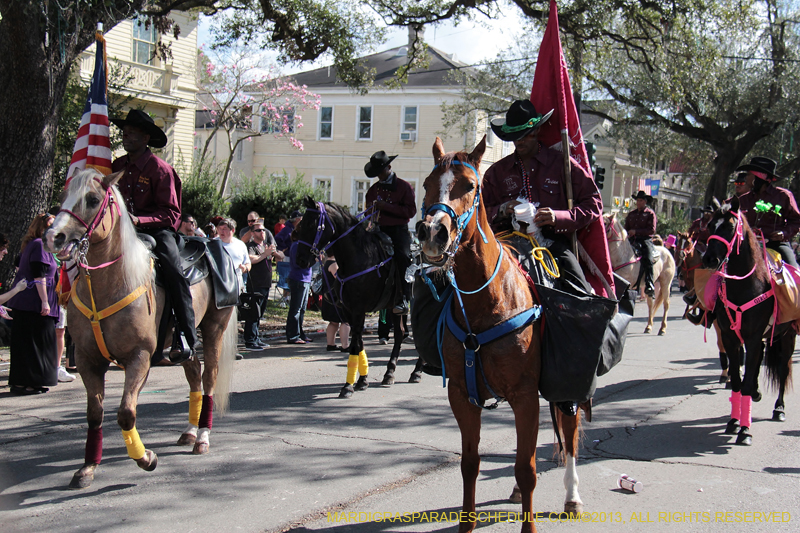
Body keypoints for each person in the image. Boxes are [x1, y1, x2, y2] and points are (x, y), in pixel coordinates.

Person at [484, 99, 603, 296]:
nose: (519, 141)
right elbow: (480, 212)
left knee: (581, 294)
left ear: (537, 131)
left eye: (524, 135)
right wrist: (502, 209)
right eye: (514, 136)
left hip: (553, 244)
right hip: (506, 245)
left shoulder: (562, 165)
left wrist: (559, 217)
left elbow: (594, 203)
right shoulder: (496, 173)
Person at [110, 109, 195, 364]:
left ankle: (186, 335)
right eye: (124, 133)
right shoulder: (117, 166)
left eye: (132, 134)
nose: (126, 138)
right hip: (122, 231)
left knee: (173, 271)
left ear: (146, 137)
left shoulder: (161, 169)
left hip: (157, 231)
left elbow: (171, 214)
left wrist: (140, 220)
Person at [7, 214, 61, 394]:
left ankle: (22, 383)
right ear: (43, 228)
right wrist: (45, 302)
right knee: (35, 345)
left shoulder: (34, 245)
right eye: (52, 226)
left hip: (27, 304)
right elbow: (40, 276)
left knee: (27, 344)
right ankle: (29, 383)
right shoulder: (39, 245)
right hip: (33, 304)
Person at [364, 151, 416, 314]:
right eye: (376, 173)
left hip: (398, 230)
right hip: (378, 229)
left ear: (389, 168)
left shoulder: (404, 187)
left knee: (403, 258)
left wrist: (386, 207)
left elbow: (410, 211)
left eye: (381, 171)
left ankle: (404, 298)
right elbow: (367, 213)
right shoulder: (373, 190)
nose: (379, 175)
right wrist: (371, 211)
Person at [736, 156, 800, 268]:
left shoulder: (783, 196)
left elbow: (796, 221)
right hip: (747, 246)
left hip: (776, 245)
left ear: (759, 177)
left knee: (794, 272)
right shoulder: (743, 200)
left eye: (748, 175)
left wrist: (784, 233)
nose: (745, 178)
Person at [243, 219, 279, 350]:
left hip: (266, 284)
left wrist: (272, 253)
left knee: (259, 314)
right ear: (252, 233)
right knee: (253, 314)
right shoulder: (251, 246)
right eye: (258, 230)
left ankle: (256, 338)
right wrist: (265, 254)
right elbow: (251, 259)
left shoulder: (266, 246)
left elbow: (279, 256)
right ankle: (250, 340)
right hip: (255, 284)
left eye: (263, 229)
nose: (262, 232)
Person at [285, 216, 314, 344]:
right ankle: (292, 335)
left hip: (305, 279)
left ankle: (300, 333)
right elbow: (299, 263)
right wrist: (313, 260)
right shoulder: (297, 245)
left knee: (302, 309)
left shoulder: (302, 245)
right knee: (295, 309)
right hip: (298, 279)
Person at [624, 190, 657, 297]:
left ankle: (649, 283)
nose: (639, 202)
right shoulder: (631, 214)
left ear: (645, 201)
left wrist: (637, 232)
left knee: (648, 258)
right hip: (632, 240)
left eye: (641, 200)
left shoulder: (650, 214)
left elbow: (652, 230)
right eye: (637, 200)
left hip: (645, 240)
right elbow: (626, 228)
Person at [320, 254, 351, 352]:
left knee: (333, 323)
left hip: (328, 298)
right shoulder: (334, 265)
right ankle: (345, 345)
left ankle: (331, 344)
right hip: (336, 299)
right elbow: (339, 279)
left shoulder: (326, 263)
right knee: (345, 321)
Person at [216, 218, 251, 294]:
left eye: (224, 229)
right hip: (218, 285)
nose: (221, 231)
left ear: (232, 230)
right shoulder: (213, 244)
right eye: (220, 229)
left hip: (237, 284)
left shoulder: (240, 245)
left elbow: (248, 263)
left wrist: (245, 268)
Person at [275, 210, 301, 306]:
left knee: (293, 276)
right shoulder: (287, 229)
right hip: (288, 256)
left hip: (295, 256)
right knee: (287, 276)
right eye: (300, 218)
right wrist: (283, 249)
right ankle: (285, 297)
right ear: (297, 219)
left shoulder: (297, 228)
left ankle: (290, 298)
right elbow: (277, 238)